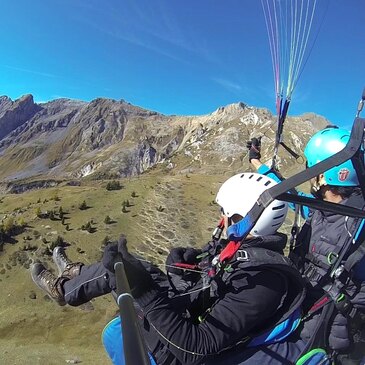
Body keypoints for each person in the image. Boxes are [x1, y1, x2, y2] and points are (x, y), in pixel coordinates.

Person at [31, 172, 306, 365]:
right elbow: (212, 288)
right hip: (193, 324)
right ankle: (70, 281)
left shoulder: (263, 282)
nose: (220, 220)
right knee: (133, 266)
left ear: (241, 217)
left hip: (188, 352)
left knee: (120, 273)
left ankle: (65, 288)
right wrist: (179, 270)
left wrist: (146, 294)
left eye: (225, 213)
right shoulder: (246, 252)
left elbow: (196, 348)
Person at [246, 127, 365, 364]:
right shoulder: (321, 210)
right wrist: (255, 161)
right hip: (295, 315)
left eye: (312, 169)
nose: (309, 175)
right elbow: (283, 189)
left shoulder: (358, 228)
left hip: (321, 342)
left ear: (323, 176)